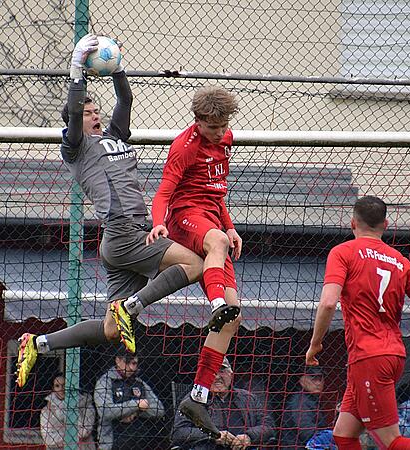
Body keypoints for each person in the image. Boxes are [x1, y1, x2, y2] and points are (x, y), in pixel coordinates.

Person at [17, 34, 230, 388]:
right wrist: (76, 71)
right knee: (193, 263)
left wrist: (117, 68)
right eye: (87, 113)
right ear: (74, 122)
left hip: (122, 241)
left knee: (110, 331)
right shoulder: (76, 147)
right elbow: (72, 112)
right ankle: (131, 307)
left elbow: (125, 98)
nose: (95, 115)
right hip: (125, 231)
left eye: (95, 110)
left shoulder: (115, 135)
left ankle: (39, 343)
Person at [305, 196, 410, 450]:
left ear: (352, 224)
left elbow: (327, 304)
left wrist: (315, 344)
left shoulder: (343, 252)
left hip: (368, 358)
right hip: (393, 355)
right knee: (344, 435)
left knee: (391, 441)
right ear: (386, 225)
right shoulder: (402, 262)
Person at [148, 85, 242, 438]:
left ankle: (198, 396)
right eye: (214, 127)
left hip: (213, 220)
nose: (220, 132)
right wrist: (158, 222)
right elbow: (163, 193)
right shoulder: (183, 148)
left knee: (234, 318)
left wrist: (231, 227)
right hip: (186, 217)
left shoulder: (227, 139)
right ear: (198, 121)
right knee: (216, 248)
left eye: (224, 126)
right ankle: (215, 302)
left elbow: (216, 193)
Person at [172, 357, 275, 450]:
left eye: (221, 371)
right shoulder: (195, 398)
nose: (217, 377)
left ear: (231, 374)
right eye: (212, 371)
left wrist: (248, 437)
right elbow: (178, 433)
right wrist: (213, 436)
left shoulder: (248, 398)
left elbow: (268, 426)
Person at [94, 349, 166, 450]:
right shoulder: (105, 382)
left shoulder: (139, 383)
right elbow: (105, 411)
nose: (132, 368)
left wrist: (136, 412)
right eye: (128, 363)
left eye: (134, 363)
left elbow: (159, 409)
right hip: (111, 445)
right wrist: (135, 405)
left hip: (140, 444)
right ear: (118, 360)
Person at [40, 374, 96, 450]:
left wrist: (72, 408)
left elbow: (84, 432)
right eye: (57, 386)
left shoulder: (86, 404)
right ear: (53, 388)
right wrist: (73, 433)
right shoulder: (46, 411)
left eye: (64, 385)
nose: (61, 389)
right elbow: (49, 439)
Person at [280, 366, 331, 449]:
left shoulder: (311, 399)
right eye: (313, 379)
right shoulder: (300, 401)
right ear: (302, 380)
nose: (318, 383)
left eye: (320, 379)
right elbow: (306, 432)